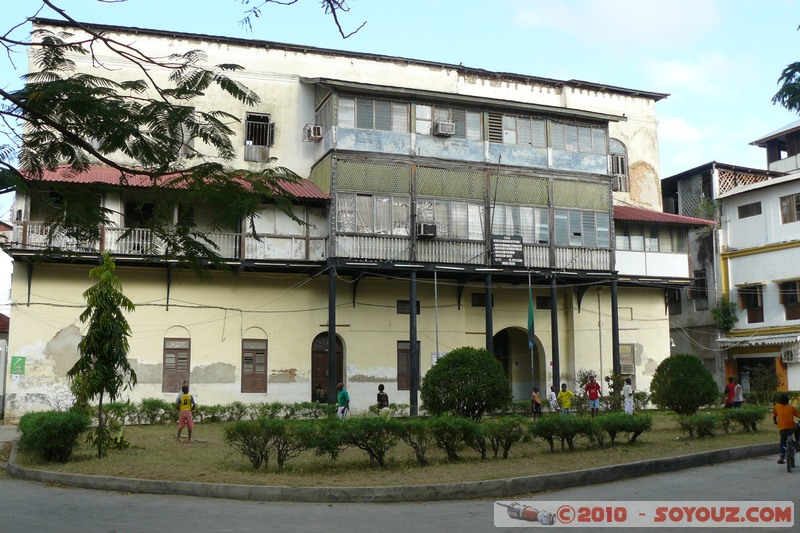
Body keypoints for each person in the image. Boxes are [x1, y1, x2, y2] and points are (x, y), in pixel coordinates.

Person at [772, 394, 800, 464]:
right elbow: (798, 415)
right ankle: (797, 444)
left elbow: (774, 416)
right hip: (791, 428)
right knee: (797, 427)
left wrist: (775, 421)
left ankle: (781, 457)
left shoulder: (776, 406)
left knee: (783, 440)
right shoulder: (791, 407)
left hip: (782, 429)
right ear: (787, 400)